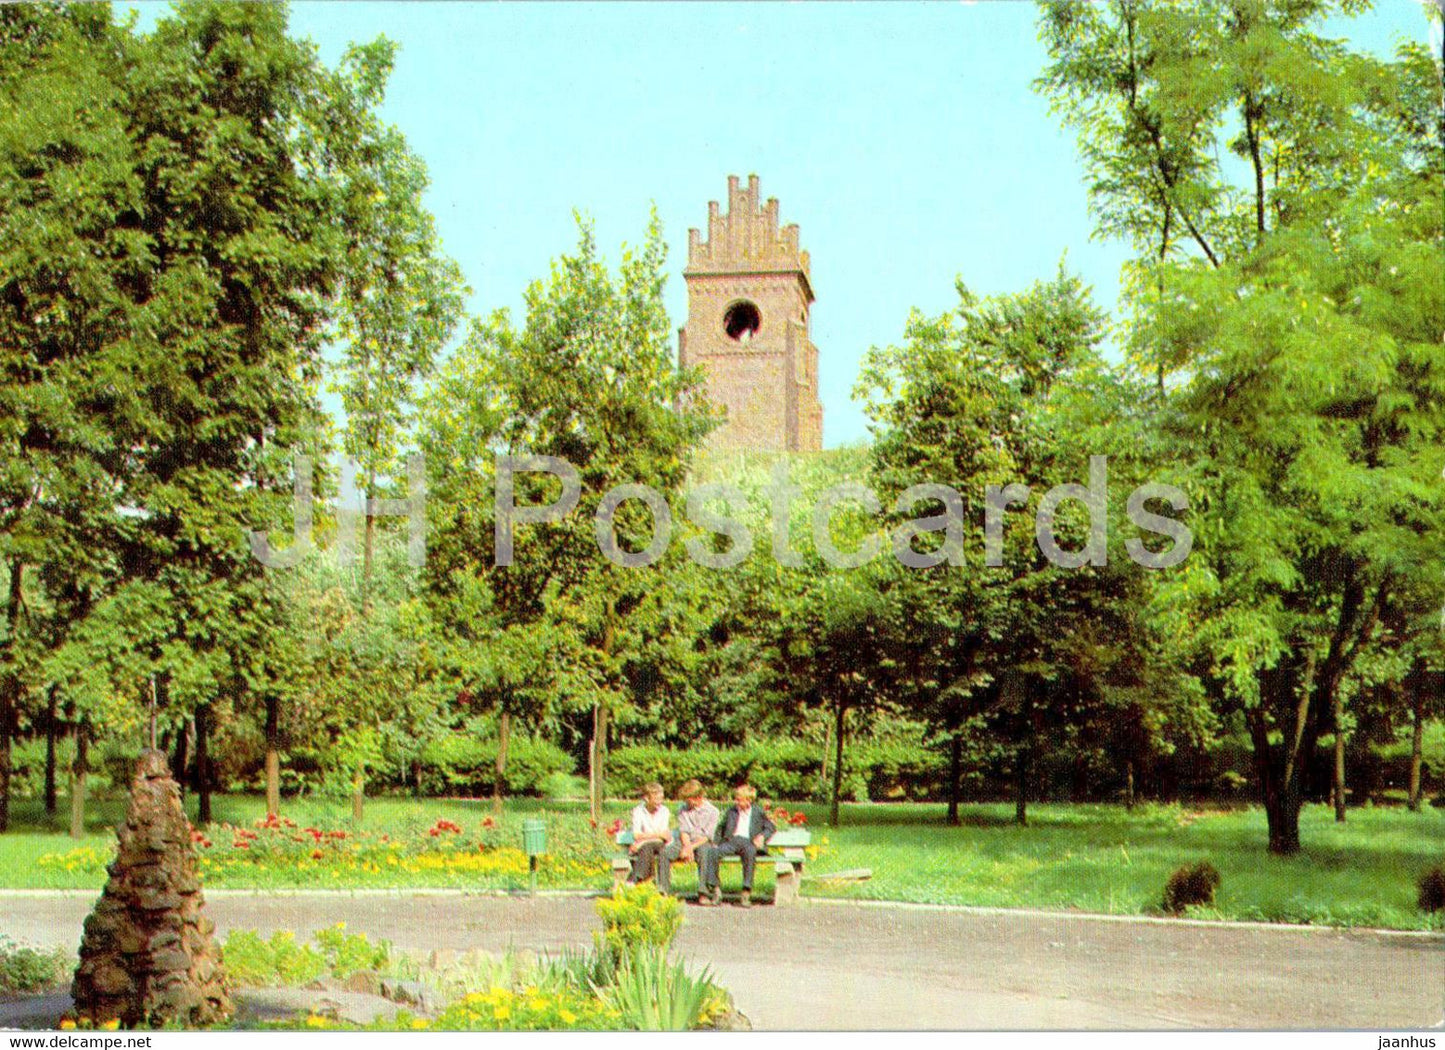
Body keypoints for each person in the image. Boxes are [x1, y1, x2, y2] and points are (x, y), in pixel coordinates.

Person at [699, 783, 775, 908]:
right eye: (736, 799)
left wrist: (762, 836)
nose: (737, 802)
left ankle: (746, 891)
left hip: (748, 842)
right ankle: (716, 889)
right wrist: (716, 842)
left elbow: (770, 827)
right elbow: (721, 828)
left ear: (749, 800)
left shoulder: (758, 812)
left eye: (740, 800)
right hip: (732, 841)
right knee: (713, 852)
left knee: (750, 853)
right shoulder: (732, 811)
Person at [662, 779, 718, 902]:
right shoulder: (683, 809)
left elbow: (707, 836)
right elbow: (684, 830)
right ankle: (663, 890)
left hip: (702, 842)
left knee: (705, 853)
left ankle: (704, 892)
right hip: (685, 841)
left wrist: (690, 848)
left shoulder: (712, 811)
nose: (687, 802)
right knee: (665, 853)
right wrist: (687, 847)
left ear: (698, 797)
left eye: (689, 799)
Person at [625, 782, 673, 891]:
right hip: (646, 847)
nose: (659, 802)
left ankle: (634, 879)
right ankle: (642, 882)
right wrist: (644, 839)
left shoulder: (664, 811)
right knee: (647, 849)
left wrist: (642, 841)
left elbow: (663, 837)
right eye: (656, 799)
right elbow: (636, 835)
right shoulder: (638, 811)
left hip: (660, 844)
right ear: (647, 798)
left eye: (661, 799)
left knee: (647, 847)